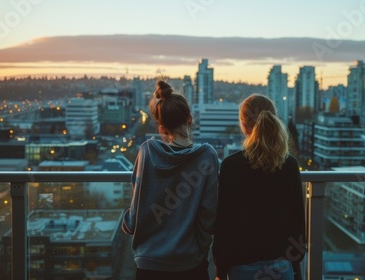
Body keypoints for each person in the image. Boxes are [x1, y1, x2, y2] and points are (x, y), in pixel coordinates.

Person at [122, 80, 219, 280]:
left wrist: (129, 224)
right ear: (190, 119)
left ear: (161, 126)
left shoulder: (147, 152)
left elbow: (134, 215)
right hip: (190, 264)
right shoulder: (207, 156)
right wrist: (200, 250)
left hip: (149, 264)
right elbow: (210, 218)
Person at [213, 93, 306, 280]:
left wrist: (220, 271)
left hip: (242, 267)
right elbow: (297, 222)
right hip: (281, 266)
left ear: (244, 125)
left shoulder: (231, 166)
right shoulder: (289, 165)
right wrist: (295, 266)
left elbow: (224, 224)